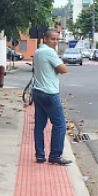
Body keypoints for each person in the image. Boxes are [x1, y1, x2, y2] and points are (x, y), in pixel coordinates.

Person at [32, 27, 71, 166]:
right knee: (60, 124)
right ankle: (55, 155)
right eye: (53, 39)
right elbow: (63, 69)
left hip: (37, 91)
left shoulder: (38, 51)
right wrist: (58, 62)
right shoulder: (49, 52)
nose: (55, 42)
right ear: (46, 39)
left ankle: (40, 155)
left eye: (57, 39)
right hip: (49, 93)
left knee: (39, 125)